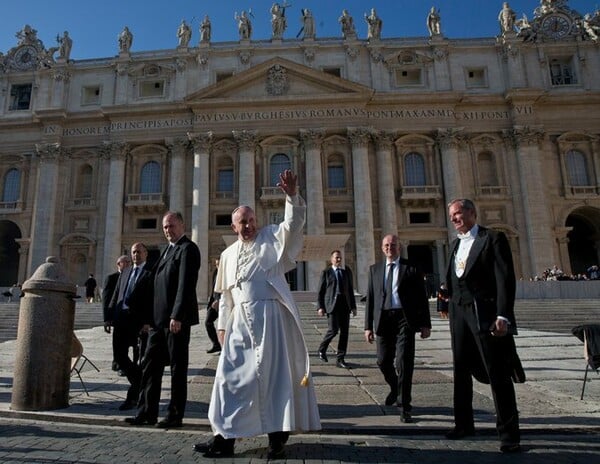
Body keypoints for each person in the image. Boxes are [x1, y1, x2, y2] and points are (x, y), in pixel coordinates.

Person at [194, 170, 320, 459]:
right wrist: (222, 329)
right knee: (229, 380)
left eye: (252, 220)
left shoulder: (271, 238)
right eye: (243, 222)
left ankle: (277, 439)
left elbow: (293, 223)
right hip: (239, 324)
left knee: (275, 380)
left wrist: (291, 196)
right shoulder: (227, 255)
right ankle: (224, 439)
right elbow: (225, 296)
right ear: (234, 226)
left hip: (271, 319)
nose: (249, 225)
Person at [445, 199, 524, 453]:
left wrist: (503, 314)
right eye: (452, 216)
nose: (454, 218)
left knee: (497, 372)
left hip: (484, 313)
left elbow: (504, 278)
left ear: (472, 212)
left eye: (458, 213)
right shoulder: (456, 243)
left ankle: (509, 433)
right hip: (459, 313)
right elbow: (454, 278)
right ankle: (464, 424)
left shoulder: (492, 238)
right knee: (460, 370)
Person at [125, 211, 200, 428]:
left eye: (172, 226)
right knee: (149, 366)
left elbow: (186, 284)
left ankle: (175, 415)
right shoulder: (166, 251)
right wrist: (146, 318)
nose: (168, 230)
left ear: (182, 225)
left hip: (176, 321)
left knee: (177, 368)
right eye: (165, 227)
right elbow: (154, 287)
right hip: (158, 323)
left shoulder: (188, 249)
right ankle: (147, 412)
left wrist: (177, 315)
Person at [364, 234, 431, 423]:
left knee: (404, 362)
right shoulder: (374, 270)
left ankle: (404, 406)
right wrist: (368, 326)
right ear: (381, 248)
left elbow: (421, 297)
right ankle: (395, 388)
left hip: (405, 319)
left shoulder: (411, 268)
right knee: (382, 361)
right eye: (386, 245)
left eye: (393, 245)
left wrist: (425, 324)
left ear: (399, 248)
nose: (389, 248)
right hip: (383, 318)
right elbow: (371, 298)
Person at [108, 243, 153, 411]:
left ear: (146, 254)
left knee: (139, 359)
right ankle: (140, 383)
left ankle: (133, 397)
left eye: (139, 252)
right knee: (119, 357)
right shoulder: (125, 272)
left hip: (139, 321)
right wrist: (110, 317)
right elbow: (116, 295)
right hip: (121, 319)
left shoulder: (151, 273)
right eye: (134, 252)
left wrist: (148, 322)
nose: (136, 255)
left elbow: (153, 298)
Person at [317, 250, 357, 368]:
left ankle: (340, 359)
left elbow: (350, 290)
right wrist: (320, 307)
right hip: (332, 305)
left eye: (340, 258)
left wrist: (353, 307)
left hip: (345, 305)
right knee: (333, 330)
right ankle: (322, 349)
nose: (339, 260)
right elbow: (321, 291)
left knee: (345, 333)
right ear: (331, 259)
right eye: (336, 258)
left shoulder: (346, 272)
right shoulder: (326, 272)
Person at [103, 255, 132, 372]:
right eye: (124, 262)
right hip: (116, 315)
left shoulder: (131, 277)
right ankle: (118, 362)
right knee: (118, 342)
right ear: (118, 264)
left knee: (126, 342)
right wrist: (107, 318)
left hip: (128, 315)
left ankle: (121, 362)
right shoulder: (111, 278)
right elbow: (106, 299)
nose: (128, 264)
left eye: (128, 262)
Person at [205, 258, 221, 354]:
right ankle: (216, 344)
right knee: (208, 322)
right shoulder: (215, 273)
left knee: (223, 326)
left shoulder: (226, 273)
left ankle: (223, 346)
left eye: (219, 264)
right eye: (216, 265)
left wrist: (219, 300)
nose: (217, 266)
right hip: (213, 302)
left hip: (222, 302)